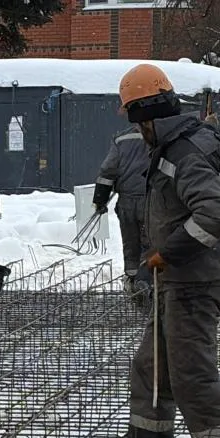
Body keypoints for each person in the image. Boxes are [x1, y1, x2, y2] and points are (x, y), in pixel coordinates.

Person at [99, 63, 220, 438]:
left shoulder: (183, 153)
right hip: (180, 279)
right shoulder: (173, 146)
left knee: (191, 372)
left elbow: (215, 214)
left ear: (145, 116)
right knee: (152, 366)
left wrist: (166, 253)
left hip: (195, 280)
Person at [94, 126, 153, 309]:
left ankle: (134, 282)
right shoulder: (159, 135)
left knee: (130, 244)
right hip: (151, 201)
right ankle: (148, 283)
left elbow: (107, 171)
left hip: (126, 202)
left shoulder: (121, 139)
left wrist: (100, 199)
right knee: (150, 244)